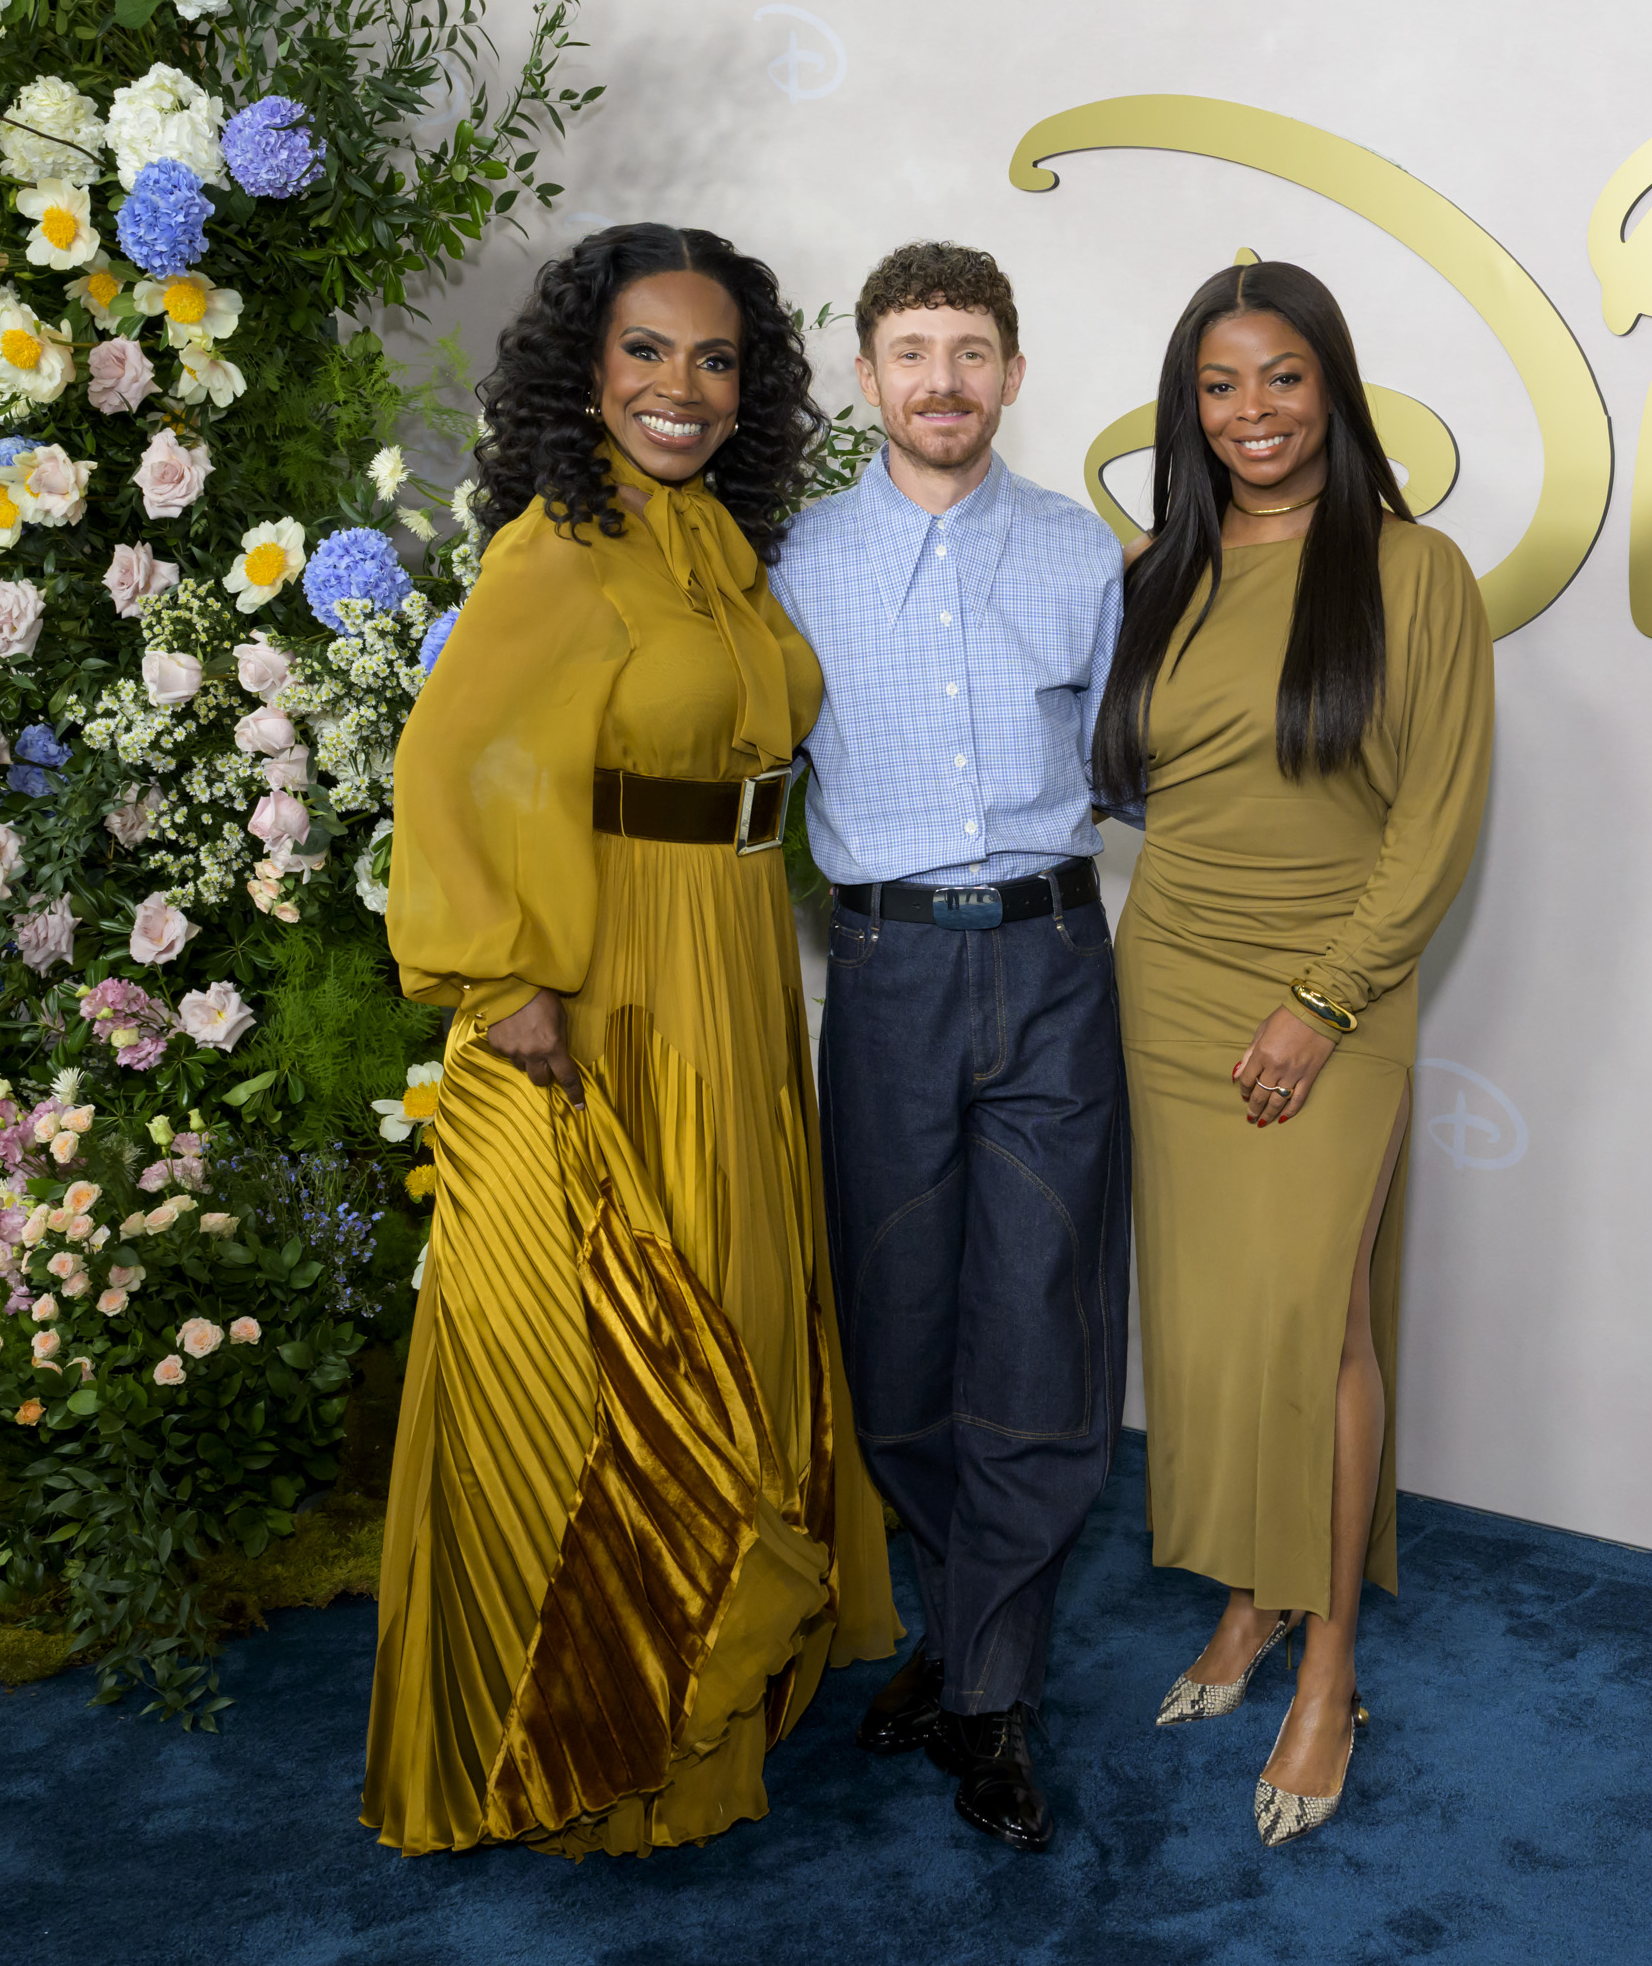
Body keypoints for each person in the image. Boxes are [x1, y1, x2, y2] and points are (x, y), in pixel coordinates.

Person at [366, 223, 898, 1857]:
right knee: (634, 1337)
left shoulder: (720, 543)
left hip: (735, 956)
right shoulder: (558, 548)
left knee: (739, 1294)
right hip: (615, 982)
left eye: (715, 358)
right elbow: (447, 767)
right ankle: (613, 1731)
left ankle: (715, 1707)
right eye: (649, 351)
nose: (684, 386)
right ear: (586, 371)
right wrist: (501, 978)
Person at [1100, 261, 1493, 1846]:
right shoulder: (1154, 572)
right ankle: (1252, 1598)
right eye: (1218, 385)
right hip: (1171, 976)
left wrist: (1323, 1002)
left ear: (1332, 386)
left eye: (1281, 377)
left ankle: (1329, 1665)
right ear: (1186, 406)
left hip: (1334, 987)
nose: (1251, 412)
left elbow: (1437, 820)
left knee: (1315, 1319)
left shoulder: (1413, 570)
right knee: (1212, 1321)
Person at [765, 241, 1127, 1855]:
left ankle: (989, 1691)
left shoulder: (1081, 553)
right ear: (867, 377)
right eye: (912, 352)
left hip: (1054, 960)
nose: (943, 382)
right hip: (888, 970)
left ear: (1014, 374)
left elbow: (1127, 765)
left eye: (972, 351)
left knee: (1042, 1326)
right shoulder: (792, 561)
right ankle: (964, 1627)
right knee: (898, 1329)